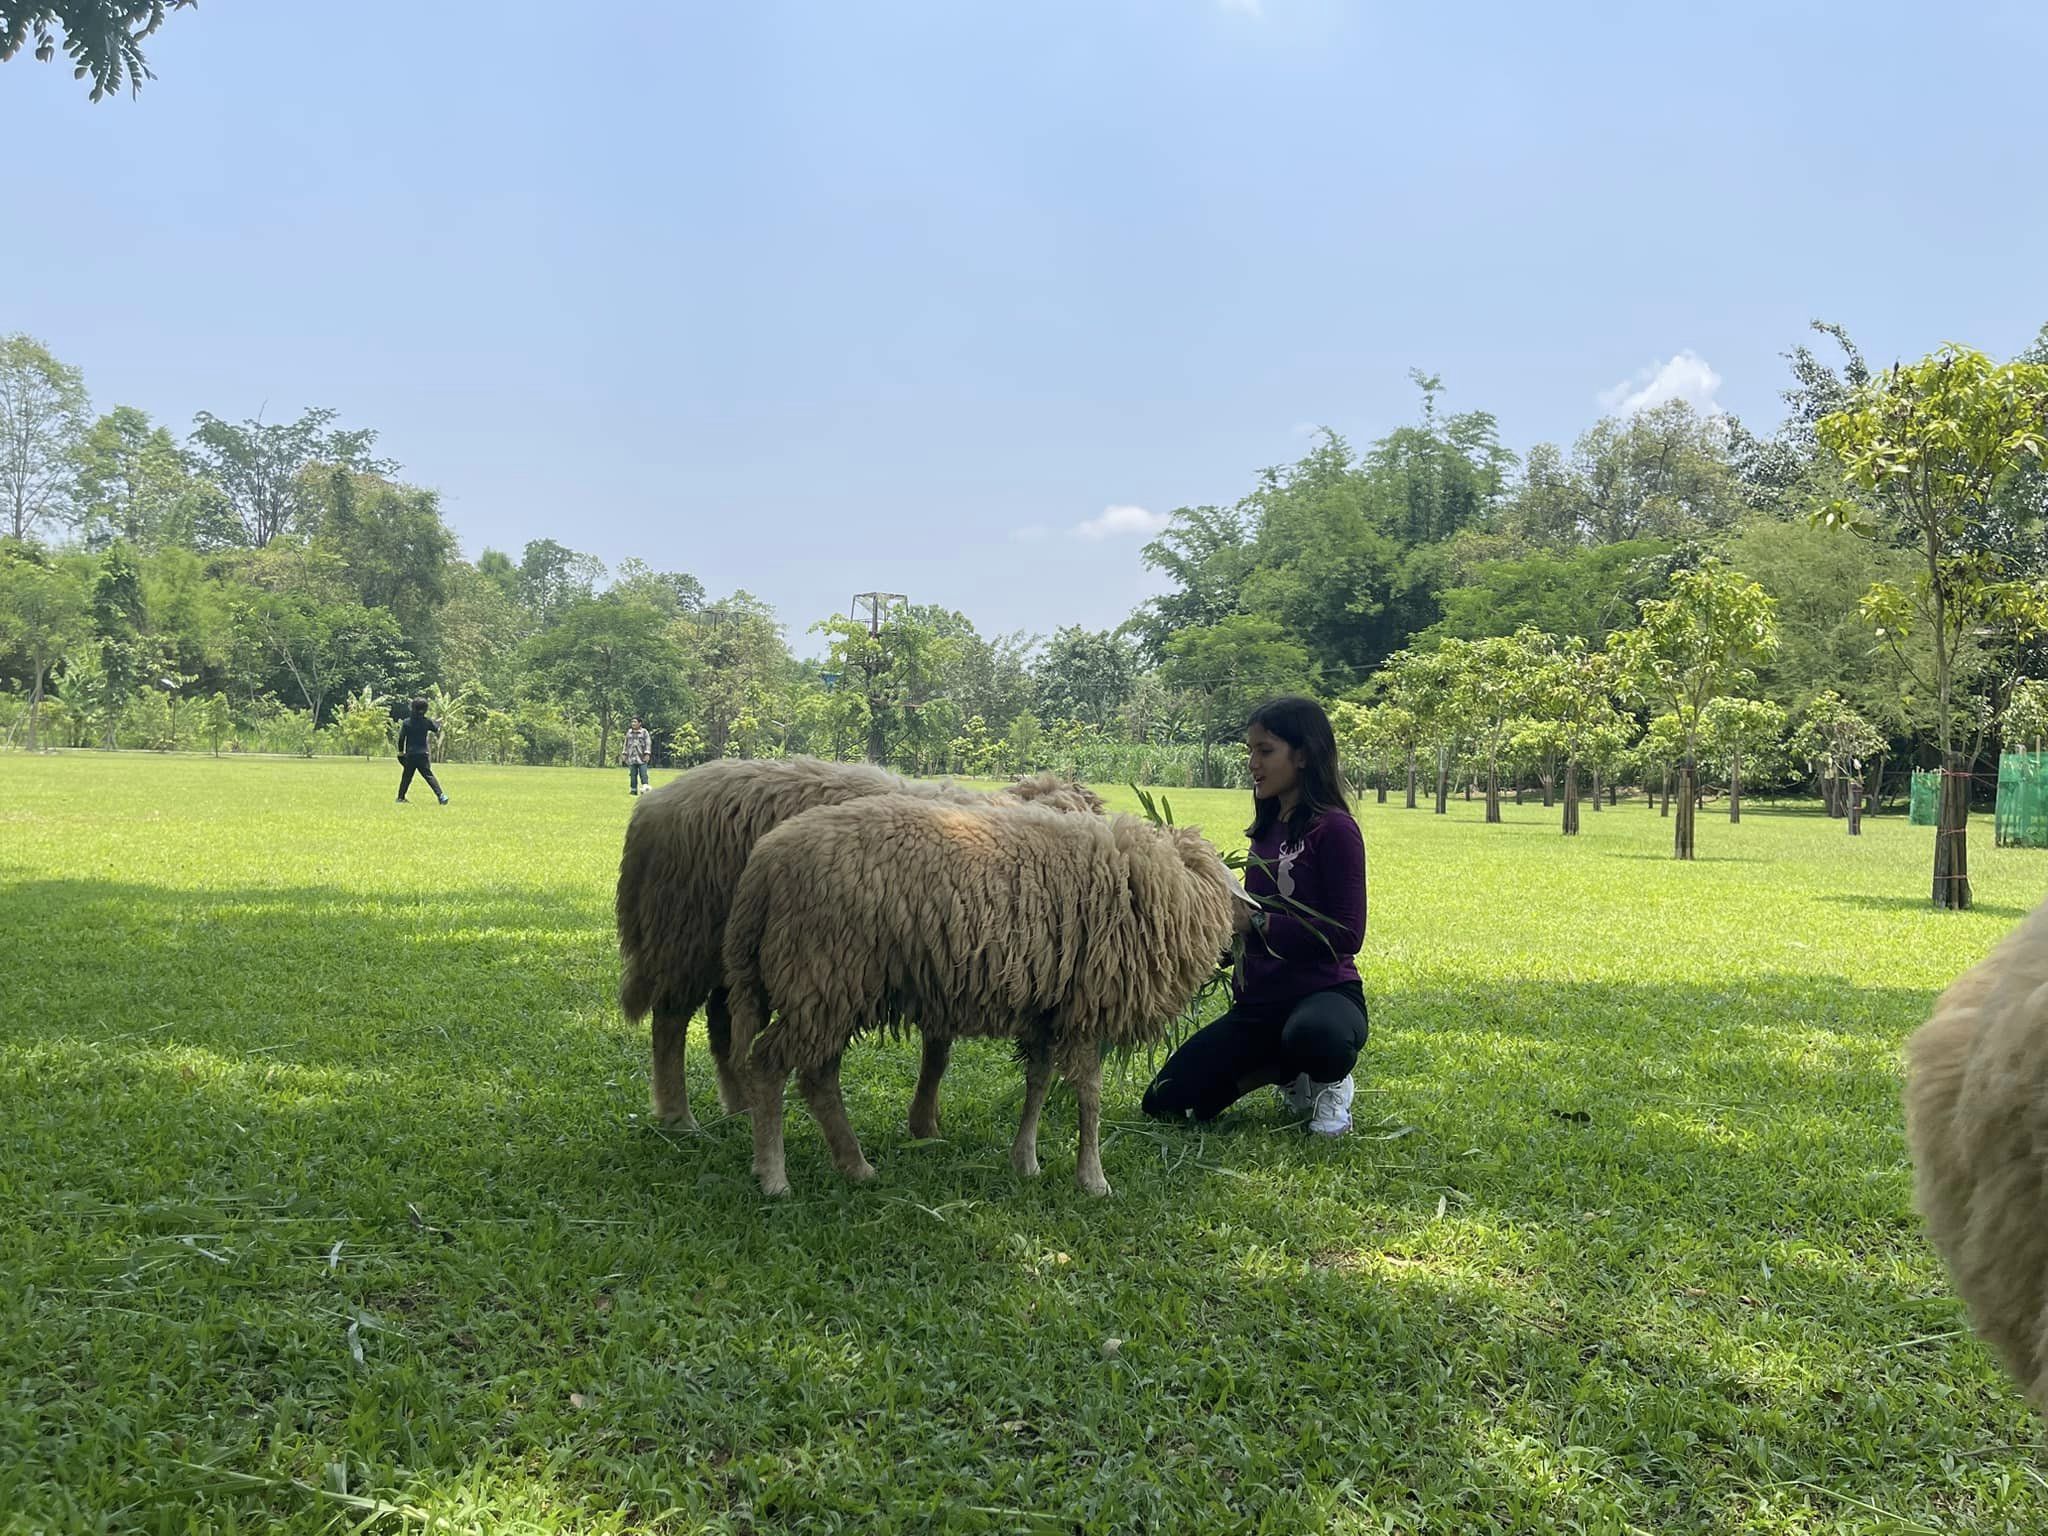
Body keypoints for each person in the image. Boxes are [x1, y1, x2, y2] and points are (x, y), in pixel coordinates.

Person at [1142, 695, 1368, 1135]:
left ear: (1302, 755)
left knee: (1316, 1036)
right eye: (1250, 751)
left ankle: (1329, 1084)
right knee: (1164, 1099)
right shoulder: (1267, 830)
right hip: (1259, 1004)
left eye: (1265, 751)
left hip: (1324, 995)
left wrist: (1257, 923)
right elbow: (1247, 919)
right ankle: (1285, 1071)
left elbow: (1347, 933)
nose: (1253, 763)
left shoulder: (1335, 829)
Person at [395, 697, 449, 806]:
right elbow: (435, 728)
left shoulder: (407, 723)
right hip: (423, 754)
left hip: (410, 754)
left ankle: (401, 797)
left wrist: (401, 752)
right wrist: (438, 722)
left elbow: (401, 738)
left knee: (406, 776)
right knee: (429, 776)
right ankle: (441, 796)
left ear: (412, 708)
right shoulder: (427, 722)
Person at [623, 716, 653, 795]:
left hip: (642, 758)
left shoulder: (644, 732)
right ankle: (633, 790)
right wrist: (624, 754)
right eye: (632, 722)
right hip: (632, 758)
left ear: (639, 723)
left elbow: (648, 743)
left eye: (635, 722)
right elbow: (626, 744)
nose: (633, 723)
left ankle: (645, 789)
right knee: (632, 775)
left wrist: (647, 754)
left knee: (643, 774)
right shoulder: (629, 732)